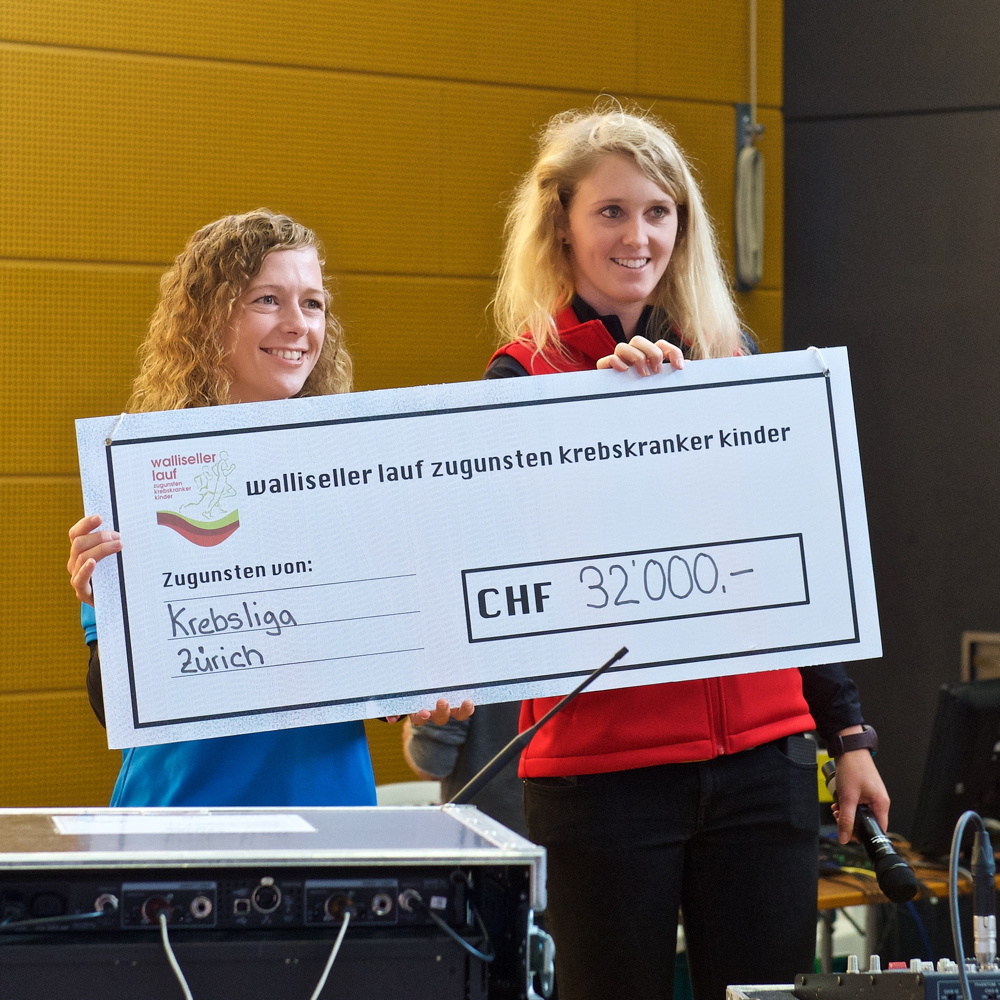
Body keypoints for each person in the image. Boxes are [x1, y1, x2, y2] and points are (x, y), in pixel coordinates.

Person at [486, 104, 890, 1000]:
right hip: (602, 776)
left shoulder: (738, 358)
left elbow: (795, 567)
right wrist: (600, 431)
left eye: (659, 212)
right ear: (562, 224)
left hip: (763, 762)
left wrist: (847, 735)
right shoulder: (520, 378)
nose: (639, 237)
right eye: (611, 211)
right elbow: (521, 578)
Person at [67, 209, 471, 808]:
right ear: (207, 318)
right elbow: (112, 705)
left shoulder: (360, 476)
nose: (297, 325)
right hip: (184, 814)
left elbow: (376, 666)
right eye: (267, 300)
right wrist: (119, 609)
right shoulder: (141, 475)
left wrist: (417, 685)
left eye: (312, 304)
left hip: (331, 814)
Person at [402, 703, 528, 837]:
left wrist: (413, 722)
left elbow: (432, 763)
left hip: (478, 836)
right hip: (534, 830)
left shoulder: (449, 687)